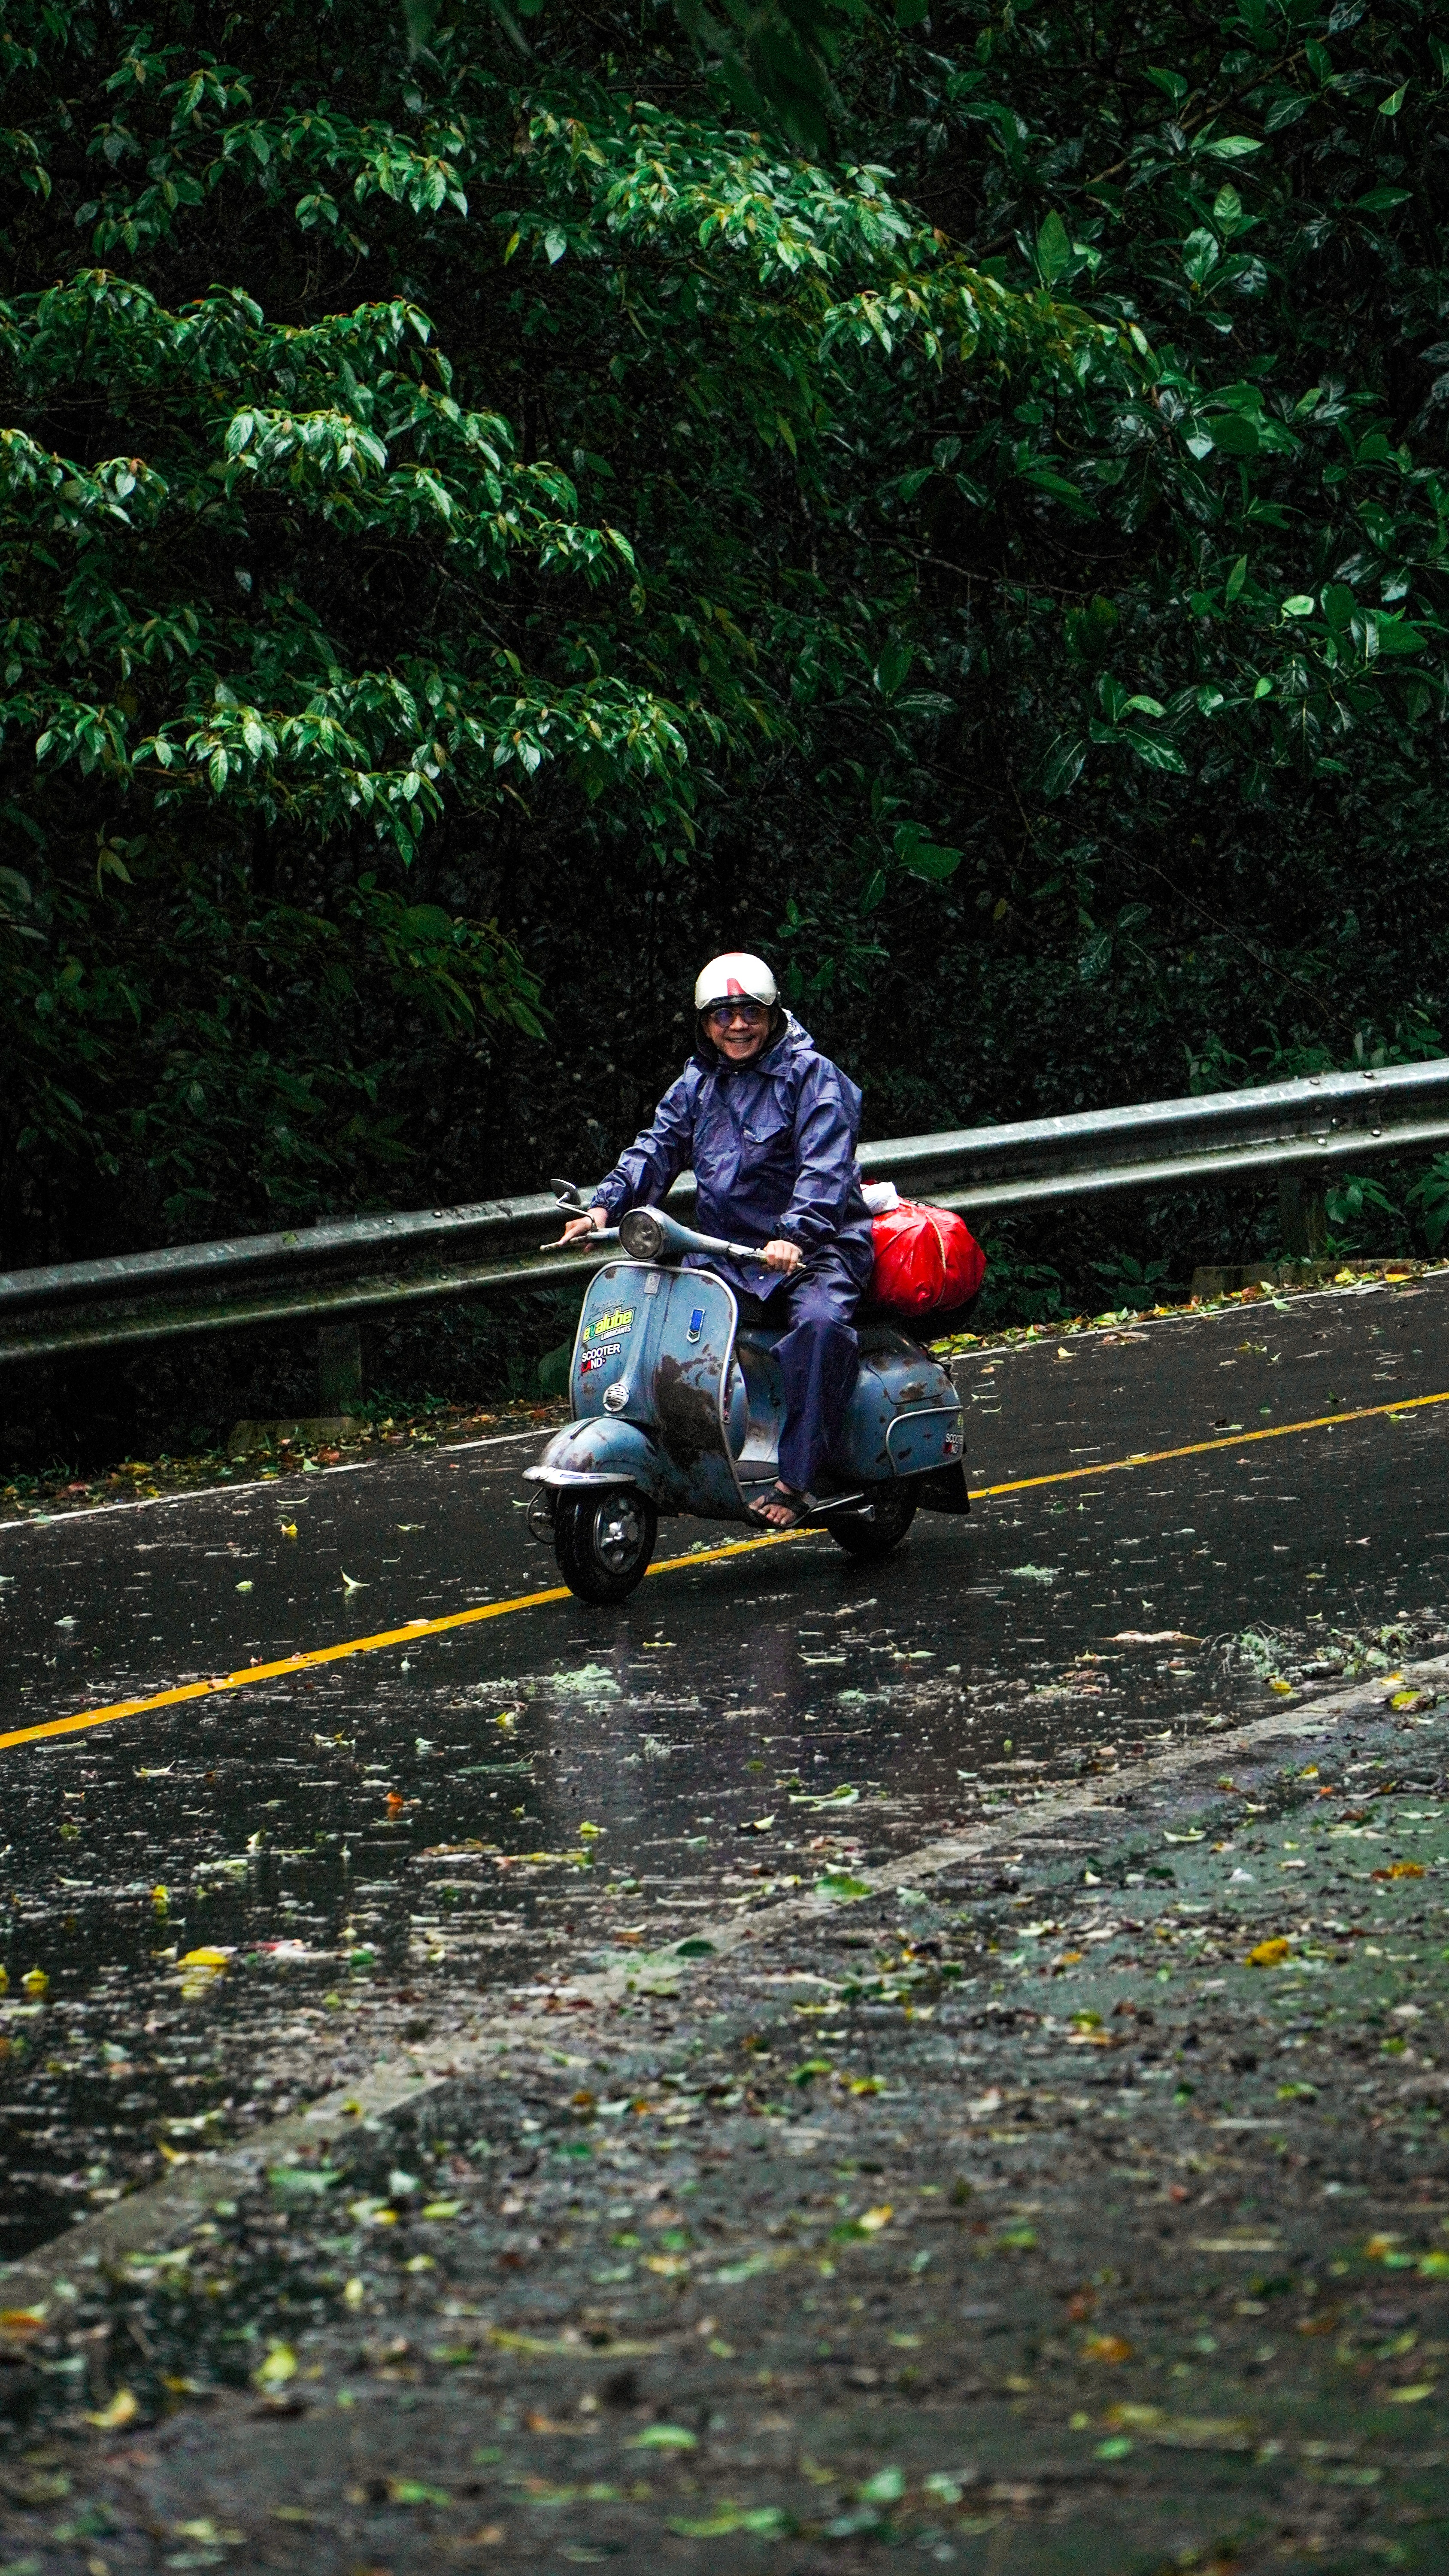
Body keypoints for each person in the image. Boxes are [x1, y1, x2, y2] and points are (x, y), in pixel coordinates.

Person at [558, 953, 874, 1530]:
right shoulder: (699, 1084)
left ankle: (799, 1478)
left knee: (822, 1328)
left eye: (749, 1012)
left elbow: (825, 1170)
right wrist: (602, 1205)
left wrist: (795, 1236)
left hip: (814, 1251)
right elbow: (656, 1148)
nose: (737, 1026)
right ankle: (675, 1452)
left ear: (771, 1016)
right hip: (727, 1252)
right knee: (661, 1310)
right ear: (705, 1025)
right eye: (722, 1015)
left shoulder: (811, 1077)